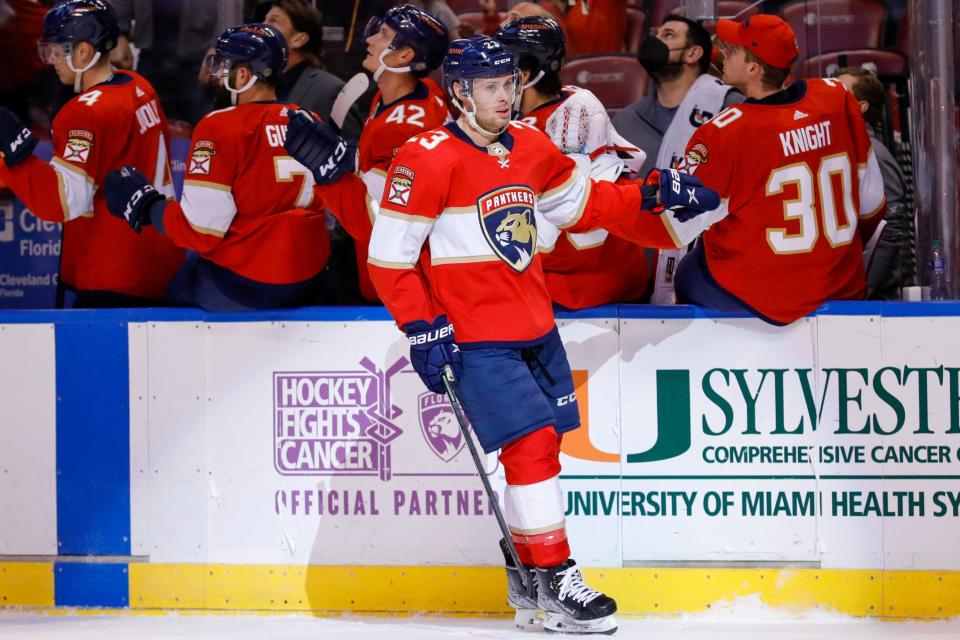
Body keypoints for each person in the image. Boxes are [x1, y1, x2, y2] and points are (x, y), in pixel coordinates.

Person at [286, 36, 718, 633]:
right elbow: (390, 258)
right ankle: (559, 578)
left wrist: (649, 192)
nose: (507, 97)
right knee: (532, 446)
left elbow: (582, 207)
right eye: (492, 86)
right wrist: (421, 327)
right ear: (459, 91)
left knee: (536, 458)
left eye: (511, 84)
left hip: (535, 329)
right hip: (477, 338)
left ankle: (530, 584)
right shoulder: (426, 156)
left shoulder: (532, 146)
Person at [103, 23, 339, 311]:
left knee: (173, 294)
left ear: (243, 75)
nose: (218, 73)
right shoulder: (309, 118)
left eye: (224, 65)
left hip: (247, 284)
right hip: (309, 278)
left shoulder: (220, 126)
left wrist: (148, 206)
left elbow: (201, 230)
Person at [673, 15, 887, 324]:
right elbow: (872, 206)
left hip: (764, 298)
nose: (723, 53)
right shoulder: (837, 97)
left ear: (753, 68)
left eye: (733, 49)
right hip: (839, 286)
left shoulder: (725, 130)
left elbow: (676, 223)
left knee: (687, 271)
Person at [0, 0, 183, 308]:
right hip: (159, 257)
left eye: (56, 51)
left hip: (114, 272)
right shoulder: (140, 85)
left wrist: (14, 159)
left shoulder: (84, 113)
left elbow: (62, 201)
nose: (51, 60)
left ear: (83, 52)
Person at [495, 16, 681, 308]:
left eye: (501, 69)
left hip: (578, 280)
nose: (491, 78)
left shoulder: (569, 114)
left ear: (526, 74)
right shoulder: (572, 102)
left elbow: (549, 226)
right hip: (593, 268)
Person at [296, 4, 450, 302]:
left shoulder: (402, 127)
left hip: (409, 276)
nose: (369, 40)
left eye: (382, 34)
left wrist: (331, 176)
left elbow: (374, 219)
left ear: (405, 55)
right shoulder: (419, 92)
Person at [614, 15, 743, 304]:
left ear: (693, 52)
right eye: (656, 33)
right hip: (638, 285)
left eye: (668, 35)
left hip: (712, 280)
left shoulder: (730, 109)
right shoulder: (624, 121)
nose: (655, 41)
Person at [835, 66, 914, 300]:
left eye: (840, 92)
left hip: (874, 304)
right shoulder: (845, 150)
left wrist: (865, 287)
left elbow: (890, 227)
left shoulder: (873, 155)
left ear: (861, 107)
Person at [258, 0, 364, 140]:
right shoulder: (256, 84)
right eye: (265, 19)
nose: (262, 26)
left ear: (298, 39)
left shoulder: (330, 91)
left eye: (273, 21)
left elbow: (355, 153)